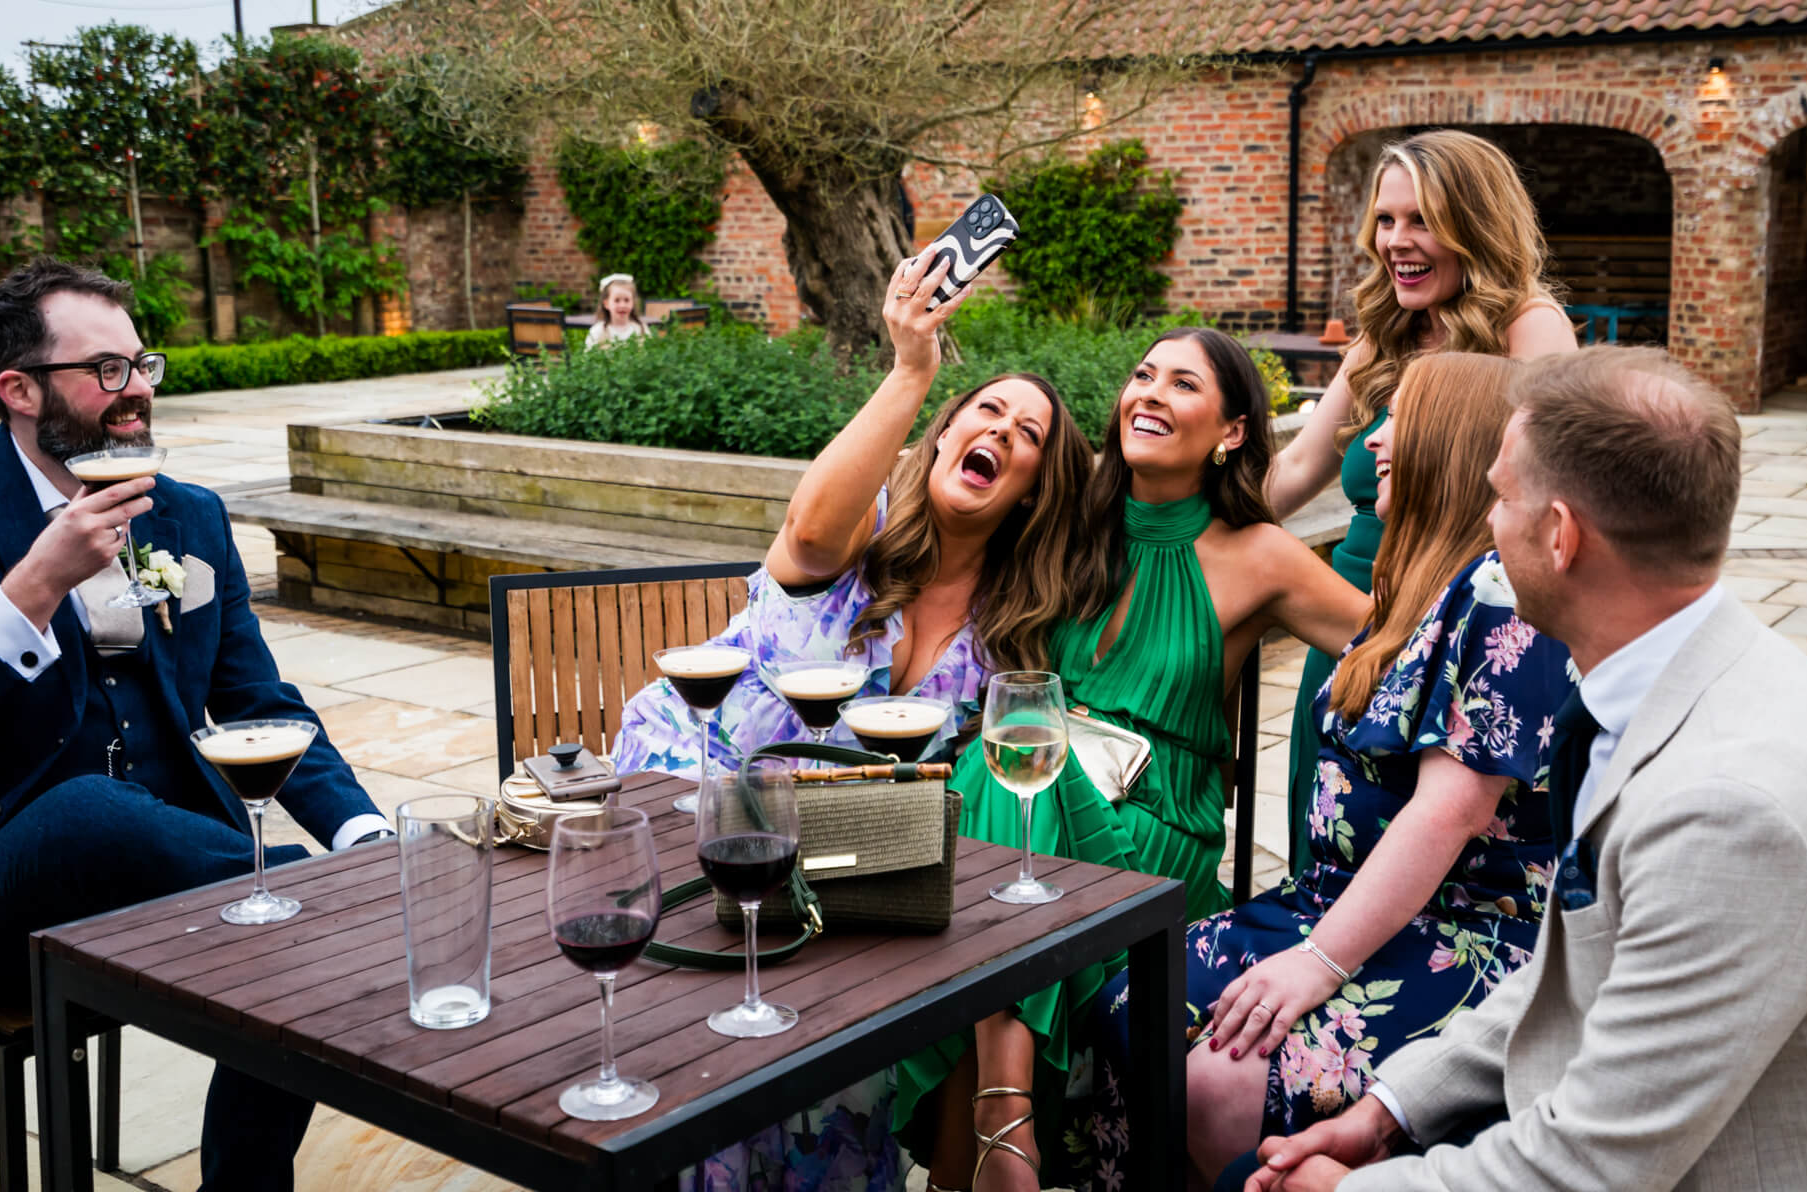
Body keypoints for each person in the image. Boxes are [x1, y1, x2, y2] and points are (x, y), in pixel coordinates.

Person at [1250, 346, 1807, 1192]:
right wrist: (1392, 1107)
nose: (1488, 521)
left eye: (1501, 497)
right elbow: (1574, 966)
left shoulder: (1726, 814)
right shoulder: (1648, 681)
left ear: (1560, 536)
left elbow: (1594, 1161)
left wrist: (1346, 1191)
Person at [0, 259, 391, 1191]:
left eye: (142, 364)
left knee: (295, 942)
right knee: (92, 810)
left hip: (177, 870)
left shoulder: (188, 515)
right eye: (107, 370)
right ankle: (315, 893)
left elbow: (259, 702)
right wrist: (35, 584)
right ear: (19, 390)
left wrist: (361, 832)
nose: (138, 390)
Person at [613, 251, 1096, 1191]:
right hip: (691, 808)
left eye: (1028, 432)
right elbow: (804, 534)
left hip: (836, 868)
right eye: (985, 411)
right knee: (701, 1062)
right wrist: (912, 368)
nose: (1000, 429)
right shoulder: (858, 530)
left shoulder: (1011, 631)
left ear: (1034, 486)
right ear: (942, 435)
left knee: (834, 1071)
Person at [1082, 352, 1574, 1190]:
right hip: (1332, 898)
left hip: (1462, 931)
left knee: (1220, 1081)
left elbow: (1448, 812)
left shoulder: (1500, 597)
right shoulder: (1418, 584)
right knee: (1131, 1003)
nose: (1373, 442)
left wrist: (1318, 962)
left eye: (1398, 422)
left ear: (1451, 445)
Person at [896, 328, 1371, 1192]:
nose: (1148, 392)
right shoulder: (1070, 521)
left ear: (1231, 430)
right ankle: (1006, 1120)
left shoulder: (1259, 555)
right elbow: (943, 496)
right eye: (1143, 375)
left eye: (1182, 384)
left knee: (1012, 778)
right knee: (1014, 775)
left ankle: (997, 1127)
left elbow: (1404, 655)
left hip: (1156, 836)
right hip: (1029, 803)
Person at [1265, 130, 1578, 875]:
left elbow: (1557, 486)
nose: (1395, 242)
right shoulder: (1385, 333)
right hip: (1350, 614)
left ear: (1475, 224)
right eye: (1385, 219)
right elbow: (1299, 465)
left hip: (1456, 622)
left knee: (1427, 849)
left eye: (1421, 220)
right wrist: (1184, 513)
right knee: (1326, 830)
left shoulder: (1529, 328)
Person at [584, 272, 651, 348]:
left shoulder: (641, 329)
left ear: (633, 302)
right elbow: (589, 353)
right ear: (606, 304)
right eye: (617, 300)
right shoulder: (597, 331)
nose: (622, 305)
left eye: (627, 300)